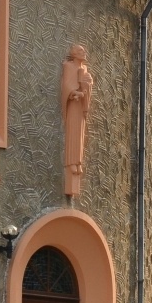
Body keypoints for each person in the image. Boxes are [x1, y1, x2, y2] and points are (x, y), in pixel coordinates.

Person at [61, 45, 93, 198]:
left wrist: (86, 86)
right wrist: (74, 92)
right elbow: (66, 84)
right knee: (73, 133)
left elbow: (87, 86)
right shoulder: (68, 66)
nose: (84, 53)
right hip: (73, 104)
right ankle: (71, 162)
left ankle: (78, 161)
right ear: (73, 54)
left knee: (80, 135)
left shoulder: (84, 69)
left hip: (80, 105)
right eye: (81, 51)